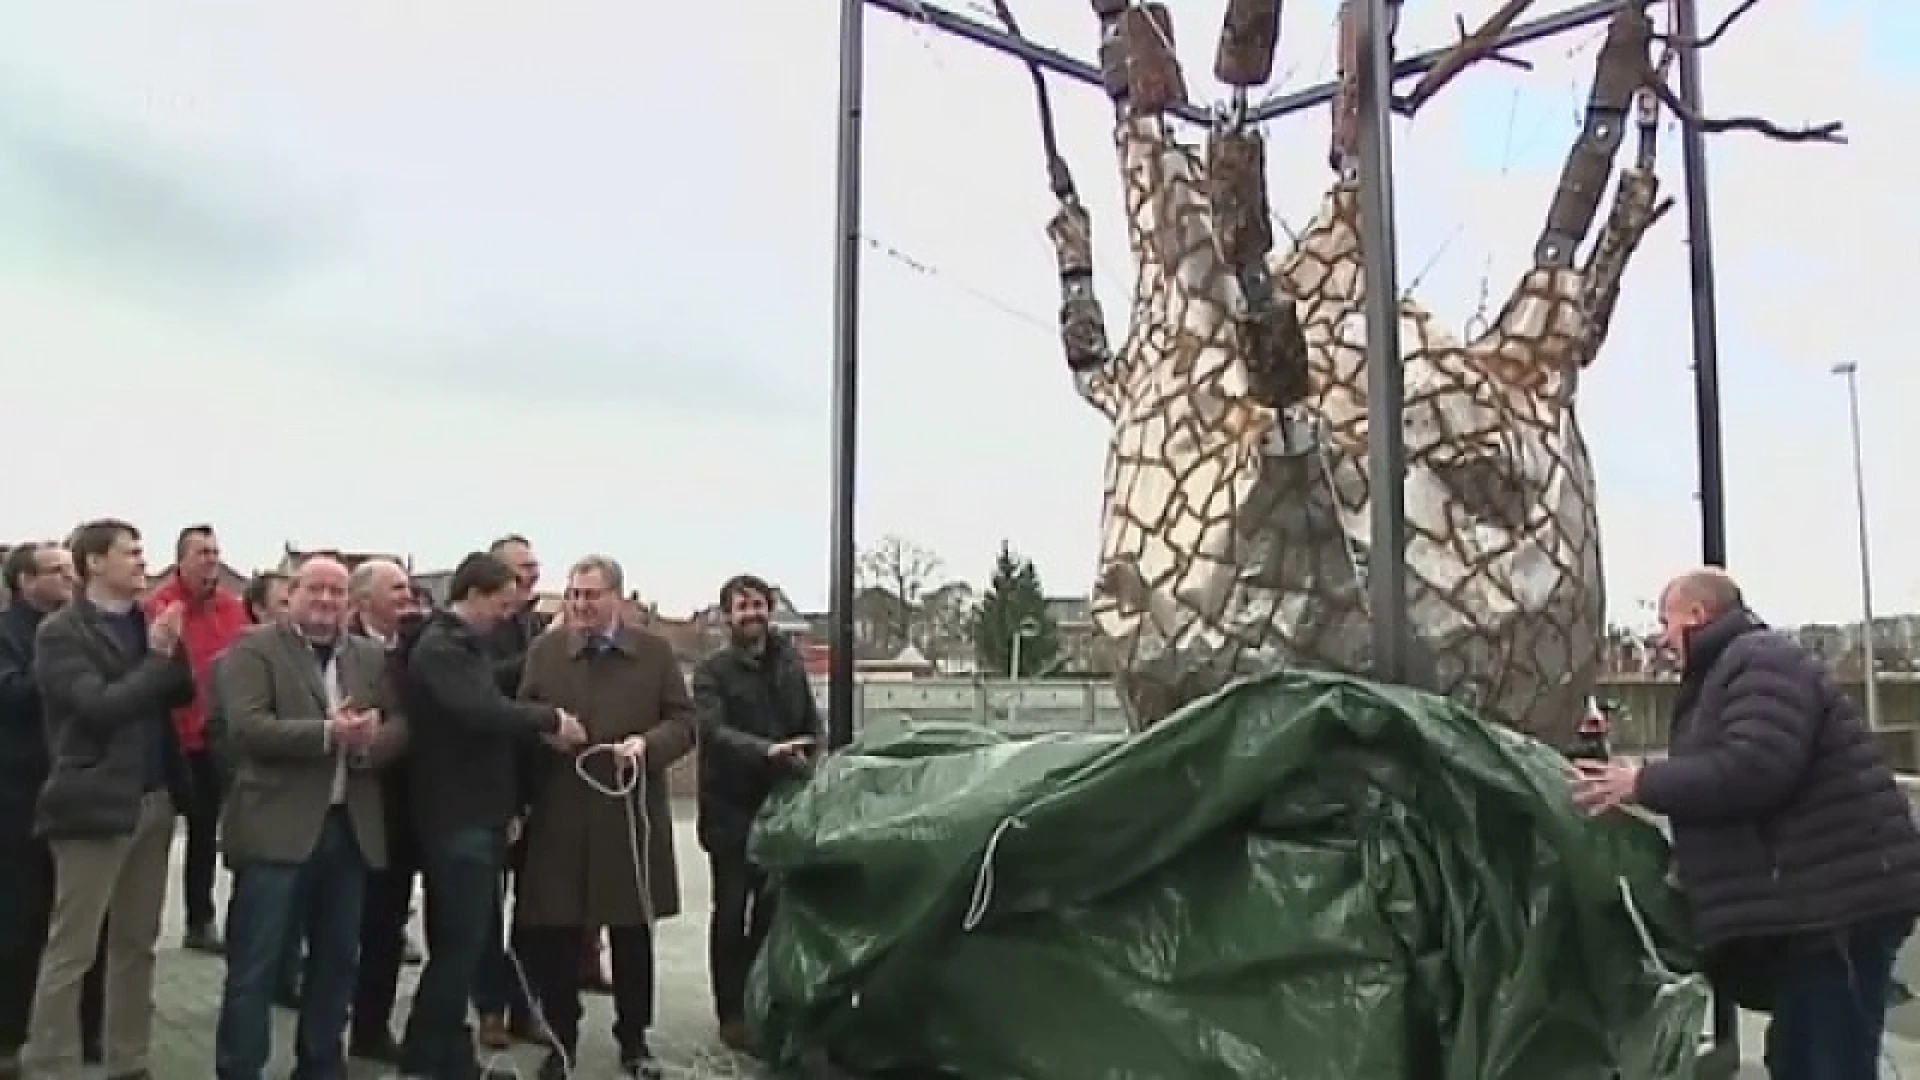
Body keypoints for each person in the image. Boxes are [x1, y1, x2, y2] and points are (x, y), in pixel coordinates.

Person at [1574, 567, 1920, 1080]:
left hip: (1833, 909)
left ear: (1697, 614)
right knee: (1802, 1056)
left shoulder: (1760, 660)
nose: (1661, 639)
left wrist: (1644, 783)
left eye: (1666, 622)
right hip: (1815, 910)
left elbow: (1755, 767)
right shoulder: (1731, 671)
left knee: (1825, 1061)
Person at [212, 556, 407, 1080]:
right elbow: (247, 729)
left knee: (337, 962)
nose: (326, 601)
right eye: (315, 590)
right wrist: (327, 734)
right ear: (291, 594)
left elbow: (399, 721)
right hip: (276, 831)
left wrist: (371, 742)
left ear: (351, 602)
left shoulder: (367, 655)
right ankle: (240, 1068)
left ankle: (321, 1065)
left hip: (349, 831)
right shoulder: (253, 649)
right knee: (257, 965)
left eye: (337, 593)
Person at [397, 552, 585, 1080]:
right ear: (475, 595)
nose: (506, 615)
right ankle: (431, 1060)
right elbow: (480, 711)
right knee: (459, 945)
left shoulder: (460, 647)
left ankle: (443, 1056)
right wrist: (550, 719)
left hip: (477, 814)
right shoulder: (441, 648)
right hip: (455, 818)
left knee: (465, 942)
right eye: (502, 603)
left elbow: (488, 698)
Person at [23, 519, 195, 1080]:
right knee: (74, 947)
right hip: (92, 802)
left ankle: (129, 1059)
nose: (142, 561)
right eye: (130, 552)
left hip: (153, 797)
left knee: (136, 943)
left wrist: (171, 652)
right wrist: (156, 660)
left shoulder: (150, 620)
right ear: (94, 562)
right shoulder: (61, 632)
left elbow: (182, 691)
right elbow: (98, 707)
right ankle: (49, 1062)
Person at [517, 557, 695, 1079]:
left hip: (629, 812)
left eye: (591, 595)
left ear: (617, 597)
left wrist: (647, 746)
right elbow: (522, 714)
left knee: (631, 929)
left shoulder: (655, 653)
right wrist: (546, 730)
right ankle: (560, 1039)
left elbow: (685, 722)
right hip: (561, 811)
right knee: (557, 932)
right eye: (573, 595)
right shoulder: (546, 651)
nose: (580, 605)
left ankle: (634, 1040)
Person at [691, 573, 823, 1053]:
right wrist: (768, 751)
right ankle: (730, 1014)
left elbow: (809, 718)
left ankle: (760, 1003)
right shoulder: (712, 672)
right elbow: (713, 732)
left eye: (758, 604)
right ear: (727, 616)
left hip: (781, 806)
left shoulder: (789, 661)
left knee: (771, 913)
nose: (752, 613)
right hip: (730, 810)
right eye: (741, 606)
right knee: (730, 914)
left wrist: (813, 753)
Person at [142, 524, 250, 955]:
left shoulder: (233, 608)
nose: (211, 559)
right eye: (202, 552)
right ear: (181, 559)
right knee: (187, 828)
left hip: (222, 737)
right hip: (178, 737)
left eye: (215, 551)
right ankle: (192, 918)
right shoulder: (160, 607)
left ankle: (205, 919)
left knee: (216, 829)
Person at [0, 544, 76, 1076]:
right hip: (17, 794)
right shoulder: (9, 632)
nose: (69, 579)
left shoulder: (72, 629)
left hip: (68, 792)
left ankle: (63, 1030)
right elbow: (13, 696)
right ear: (25, 580)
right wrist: (59, 666)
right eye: (57, 571)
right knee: (19, 919)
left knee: (64, 920)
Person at [346, 559, 426, 1065]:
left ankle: (370, 1031)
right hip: (347, 806)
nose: (408, 596)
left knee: (384, 926)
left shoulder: (420, 644)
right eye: (395, 588)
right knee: (336, 929)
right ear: (365, 599)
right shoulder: (343, 648)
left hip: (403, 813)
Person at [472, 534, 550, 1049]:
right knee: (485, 907)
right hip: (490, 786)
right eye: (519, 572)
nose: (529, 581)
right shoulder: (478, 629)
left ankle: (527, 1006)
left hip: (537, 784)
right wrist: (539, 656)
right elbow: (486, 690)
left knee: (536, 909)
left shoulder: (537, 626)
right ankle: (490, 1007)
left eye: (534, 571)